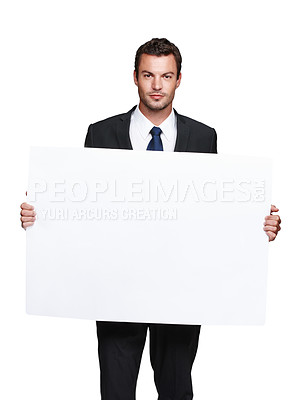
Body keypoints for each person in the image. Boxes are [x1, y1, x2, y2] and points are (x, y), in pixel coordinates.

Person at [20, 38, 281, 400]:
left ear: (178, 80)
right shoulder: (101, 133)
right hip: (115, 290)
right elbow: (82, 208)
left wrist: (255, 226)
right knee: (116, 391)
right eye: (148, 75)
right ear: (135, 77)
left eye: (166, 76)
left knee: (176, 390)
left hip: (181, 291)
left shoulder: (204, 137)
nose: (157, 85)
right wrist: (42, 217)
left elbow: (214, 212)